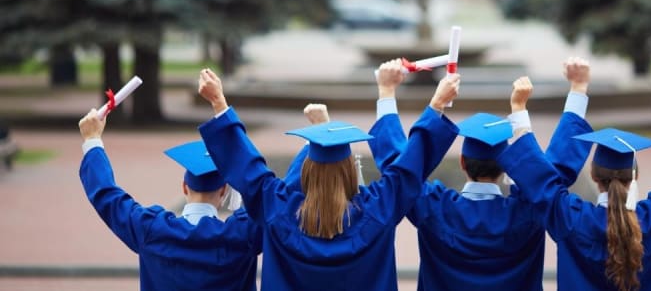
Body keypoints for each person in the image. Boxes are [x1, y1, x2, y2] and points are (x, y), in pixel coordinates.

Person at [196, 68, 461, 291]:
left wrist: (219, 103)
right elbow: (407, 168)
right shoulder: (378, 209)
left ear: (306, 171)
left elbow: (248, 169)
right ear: (349, 170)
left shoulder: (278, 210)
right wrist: (435, 105)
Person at [367, 57, 595, 290]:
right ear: (507, 165)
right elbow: (551, 175)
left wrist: (388, 92)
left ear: (463, 162)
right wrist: (578, 88)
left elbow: (400, 175)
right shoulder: (529, 210)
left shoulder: (434, 208)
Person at [497, 71, 651, 290]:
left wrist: (519, 109)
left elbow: (540, 180)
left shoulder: (572, 219)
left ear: (594, 176)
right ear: (635, 175)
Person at [78, 109, 262, 291]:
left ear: (184, 187)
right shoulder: (242, 234)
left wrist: (92, 141)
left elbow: (107, 195)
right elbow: (276, 201)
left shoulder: (152, 230)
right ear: (223, 191)